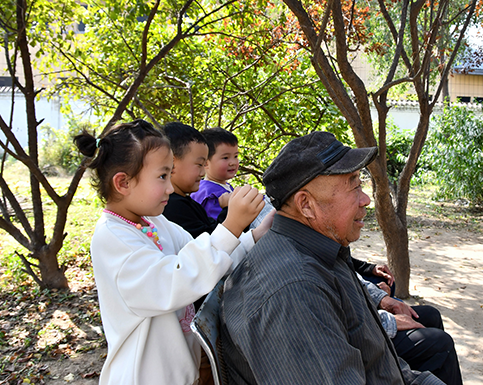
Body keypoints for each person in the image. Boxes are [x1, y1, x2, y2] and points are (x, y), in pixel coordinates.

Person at [221, 131, 448, 385]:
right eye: (353, 185)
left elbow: (381, 365)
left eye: (360, 184)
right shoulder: (295, 290)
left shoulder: (325, 251)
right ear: (306, 205)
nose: (365, 200)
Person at [74, 119, 267, 385]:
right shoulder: (113, 237)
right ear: (123, 183)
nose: (169, 187)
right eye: (162, 176)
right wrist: (231, 226)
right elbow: (175, 281)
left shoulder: (154, 223)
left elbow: (205, 258)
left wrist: (253, 237)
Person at [161, 122, 273, 238]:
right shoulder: (172, 206)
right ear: (172, 163)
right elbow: (211, 243)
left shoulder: (189, 203)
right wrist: (228, 208)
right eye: (199, 164)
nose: (203, 173)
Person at [362, 278, 463, 385]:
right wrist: (389, 321)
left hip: (371, 315)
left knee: (431, 315)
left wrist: (381, 297)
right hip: (365, 335)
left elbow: (356, 277)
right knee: (441, 342)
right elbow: (352, 320)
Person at [190, 127, 273, 229]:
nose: (233, 162)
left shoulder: (224, 186)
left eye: (236, 156)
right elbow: (221, 226)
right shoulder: (208, 194)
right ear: (206, 162)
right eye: (225, 157)